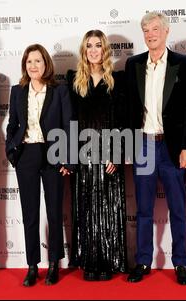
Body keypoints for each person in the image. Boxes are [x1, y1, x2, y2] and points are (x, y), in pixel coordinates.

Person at [125, 12, 186, 284]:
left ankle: (180, 262)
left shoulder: (185, 64)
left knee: (178, 209)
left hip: (172, 146)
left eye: (155, 29)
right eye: (145, 30)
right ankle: (143, 261)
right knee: (143, 209)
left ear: (166, 32)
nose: (150, 34)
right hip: (143, 144)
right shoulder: (133, 65)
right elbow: (128, 110)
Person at [5, 44, 73, 287]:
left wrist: (68, 159)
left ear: (46, 65)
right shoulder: (17, 91)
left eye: (38, 61)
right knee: (30, 214)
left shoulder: (59, 91)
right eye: (29, 61)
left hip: (53, 153)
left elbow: (68, 126)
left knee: (55, 211)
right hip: (26, 155)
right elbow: (12, 123)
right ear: (25, 65)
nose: (33, 66)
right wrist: (11, 151)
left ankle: (54, 263)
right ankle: (32, 265)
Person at [67, 30, 128, 281]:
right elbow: (68, 120)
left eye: (98, 45)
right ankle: (89, 262)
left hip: (109, 154)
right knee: (86, 209)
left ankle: (109, 261)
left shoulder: (118, 79)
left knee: (108, 208)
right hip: (82, 155)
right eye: (89, 45)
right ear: (84, 50)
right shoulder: (73, 79)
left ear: (105, 50)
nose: (94, 50)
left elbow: (125, 119)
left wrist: (118, 152)